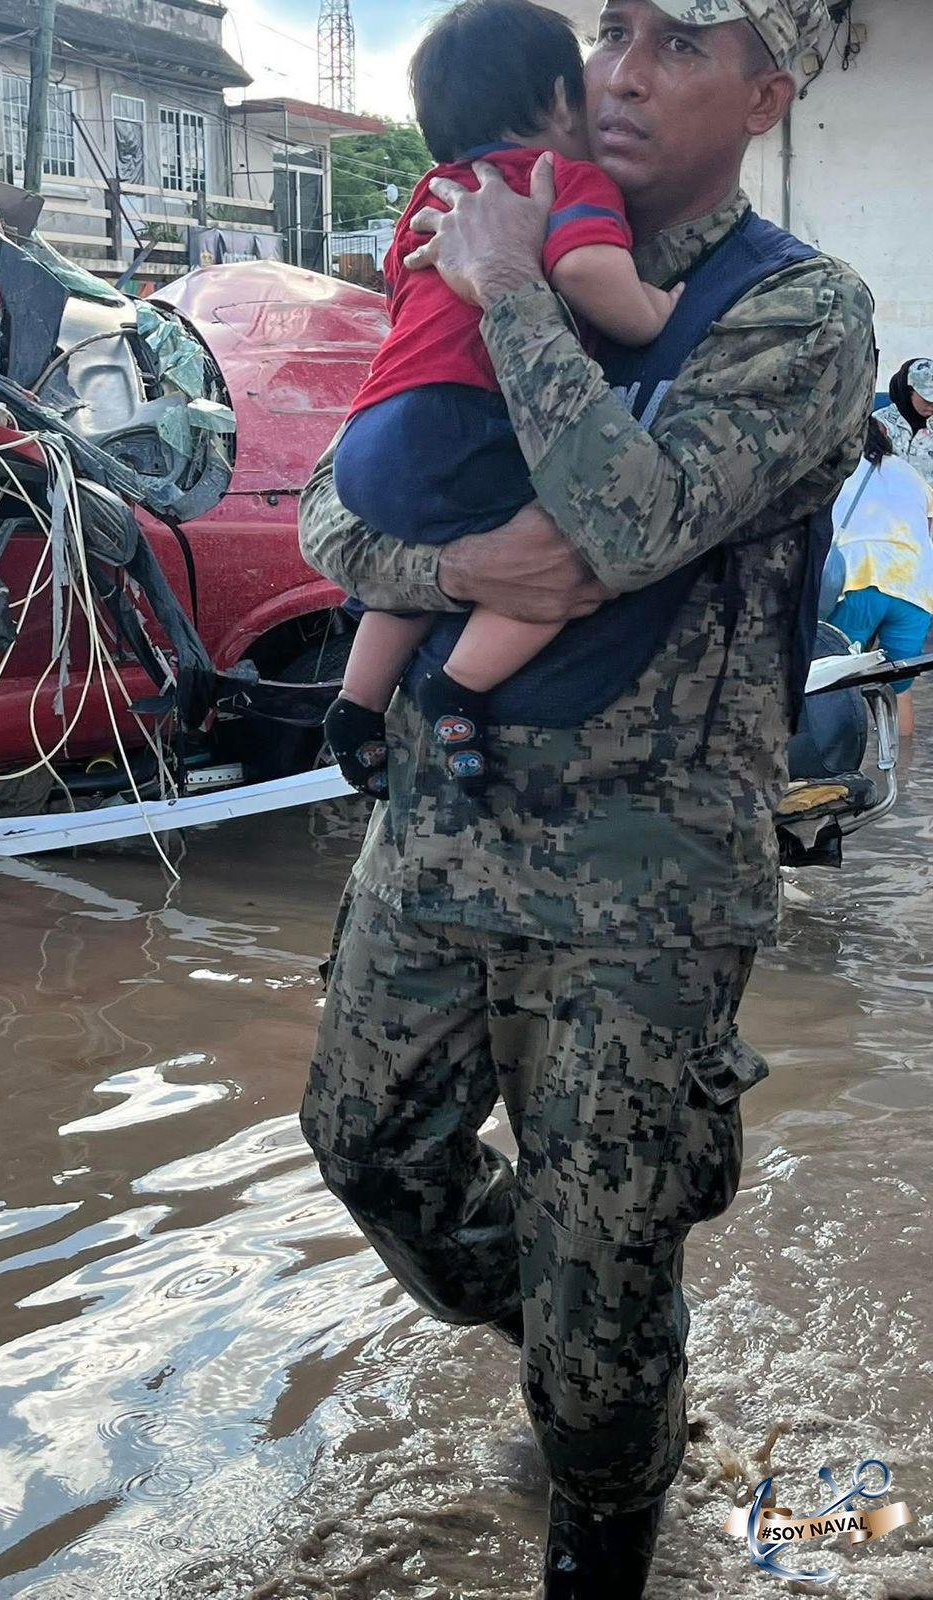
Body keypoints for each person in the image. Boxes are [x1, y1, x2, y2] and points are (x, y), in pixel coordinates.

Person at [296, 0, 876, 1595]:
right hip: (438, 832)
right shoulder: (482, 212)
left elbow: (625, 524)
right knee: (367, 1150)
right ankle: (571, 1355)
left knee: (610, 1275)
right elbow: (342, 518)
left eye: (678, 45)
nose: (621, 69)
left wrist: (509, 289)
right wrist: (452, 563)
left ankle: (608, 1496)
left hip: (646, 881)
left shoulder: (798, 311)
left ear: (768, 93)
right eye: (610, 31)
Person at [325, 0, 682, 802]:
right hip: (462, 413)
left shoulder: (432, 191)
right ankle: (460, 686)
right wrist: (657, 311)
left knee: (419, 551)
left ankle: (355, 703)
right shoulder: (560, 178)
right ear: (562, 101)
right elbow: (592, 274)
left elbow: (405, 304)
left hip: (373, 432)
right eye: (608, 46)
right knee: (566, 545)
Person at [828, 415, 933, 738]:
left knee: (835, 682)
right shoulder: (911, 474)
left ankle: (838, 772)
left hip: (862, 578)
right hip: (916, 589)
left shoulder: (837, 472)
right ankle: (902, 774)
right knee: (899, 689)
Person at [873, 358, 933, 489]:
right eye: (927, 400)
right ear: (908, 392)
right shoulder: (879, 424)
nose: (932, 406)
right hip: (885, 503)